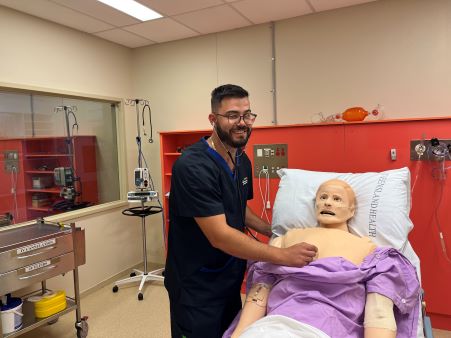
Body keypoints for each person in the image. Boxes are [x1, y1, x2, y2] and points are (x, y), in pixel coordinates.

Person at [164, 84, 318, 338]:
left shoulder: (241, 159)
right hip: (196, 286)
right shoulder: (192, 166)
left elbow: (237, 207)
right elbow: (220, 235)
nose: (242, 123)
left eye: (247, 115)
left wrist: (272, 229)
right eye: (233, 115)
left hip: (229, 276)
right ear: (213, 119)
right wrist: (283, 255)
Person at [225, 179, 420, 338]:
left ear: (352, 211)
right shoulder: (287, 238)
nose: (328, 202)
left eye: (337, 199)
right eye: (323, 197)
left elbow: (379, 312)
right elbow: (258, 294)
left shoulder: (370, 250)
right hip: (275, 324)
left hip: (327, 326)